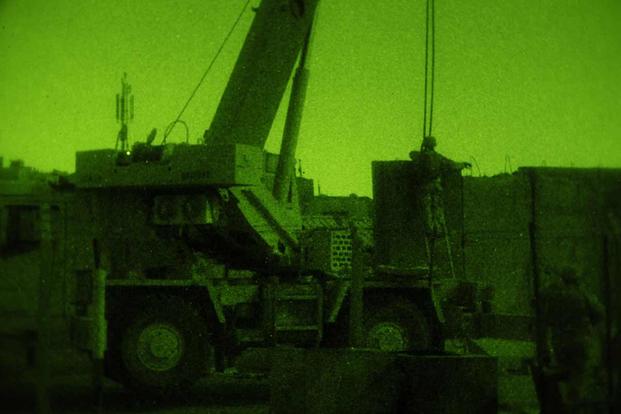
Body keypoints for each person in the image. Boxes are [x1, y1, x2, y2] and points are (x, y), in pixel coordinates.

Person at [539, 266, 605, 411]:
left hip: (560, 343)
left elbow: (547, 318)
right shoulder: (582, 294)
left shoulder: (555, 296)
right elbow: (599, 313)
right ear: (577, 280)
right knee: (578, 379)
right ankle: (572, 406)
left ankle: (564, 403)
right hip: (580, 342)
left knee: (566, 376)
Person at [409, 136, 470, 239]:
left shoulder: (420, 156)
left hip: (425, 187)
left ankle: (429, 230)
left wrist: (421, 151)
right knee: (437, 208)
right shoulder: (439, 157)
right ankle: (438, 229)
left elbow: (411, 154)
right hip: (436, 186)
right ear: (434, 145)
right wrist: (463, 164)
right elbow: (453, 165)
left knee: (427, 209)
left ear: (425, 145)